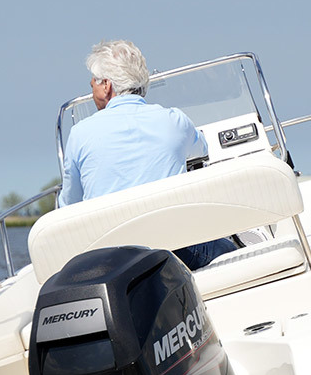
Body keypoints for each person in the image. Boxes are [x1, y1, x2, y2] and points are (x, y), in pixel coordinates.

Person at [59, 40, 237, 271]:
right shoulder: (174, 121)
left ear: (107, 86)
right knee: (234, 250)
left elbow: (69, 206)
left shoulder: (79, 134)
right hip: (175, 252)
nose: (91, 87)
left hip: (112, 261)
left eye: (93, 81)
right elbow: (202, 150)